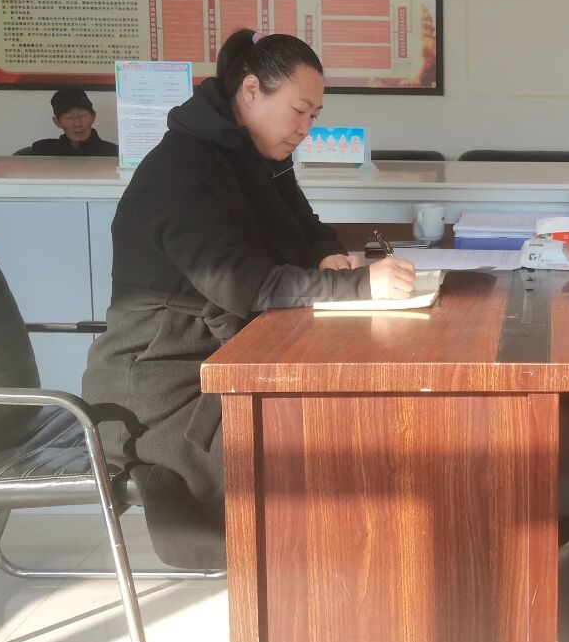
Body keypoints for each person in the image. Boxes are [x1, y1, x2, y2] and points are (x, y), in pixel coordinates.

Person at [83, 29, 415, 568]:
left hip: (224, 358)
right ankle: (315, 583)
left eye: (315, 116)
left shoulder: (251, 154)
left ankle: (360, 566)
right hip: (162, 389)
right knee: (315, 438)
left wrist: (329, 256)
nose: (306, 129)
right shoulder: (181, 170)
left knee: (345, 413)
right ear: (253, 90)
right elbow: (239, 284)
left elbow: (303, 222)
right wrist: (359, 285)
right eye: (299, 111)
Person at [15, 87, 118, 157]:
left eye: (82, 115)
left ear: (93, 116)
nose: (77, 123)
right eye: (69, 117)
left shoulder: (113, 153)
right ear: (56, 122)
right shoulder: (43, 151)